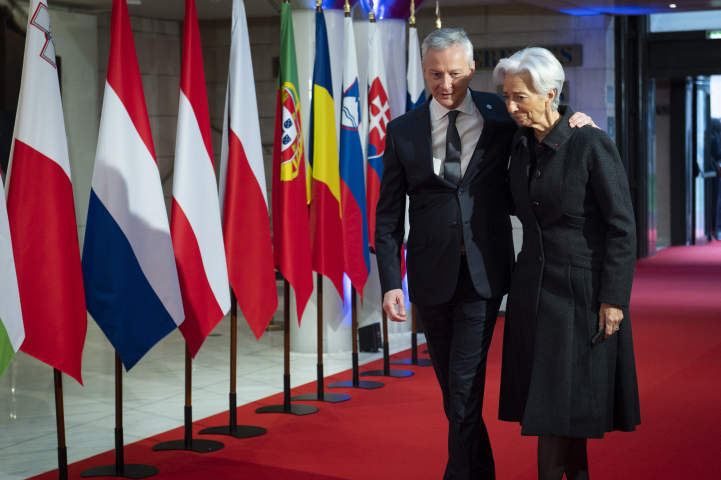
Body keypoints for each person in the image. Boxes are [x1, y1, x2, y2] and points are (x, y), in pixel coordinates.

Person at [374, 29, 595, 480]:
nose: (446, 83)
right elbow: (387, 217)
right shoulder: (401, 131)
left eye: (455, 72)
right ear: (424, 72)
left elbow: (543, 117)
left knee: (464, 387)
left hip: (484, 273)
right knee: (452, 392)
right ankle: (478, 470)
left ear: (471, 69)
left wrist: (577, 122)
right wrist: (391, 283)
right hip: (429, 276)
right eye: (435, 74)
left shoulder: (500, 115)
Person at [494, 47, 641, 480]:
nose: (511, 106)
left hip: (580, 297)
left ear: (550, 94)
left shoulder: (590, 142)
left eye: (520, 97)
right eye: (506, 97)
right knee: (559, 409)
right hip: (531, 293)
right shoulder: (519, 147)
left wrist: (614, 299)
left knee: (557, 410)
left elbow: (622, 228)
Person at [710, 118, 721, 240]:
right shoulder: (715, 138)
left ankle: (713, 228)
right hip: (715, 171)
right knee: (715, 201)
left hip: (712, 171)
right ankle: (714, 228)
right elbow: (718, 154)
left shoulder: (710, 135)